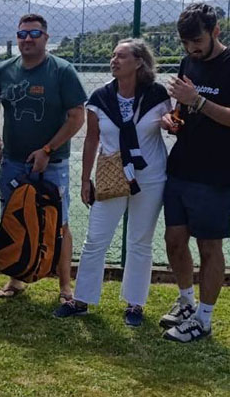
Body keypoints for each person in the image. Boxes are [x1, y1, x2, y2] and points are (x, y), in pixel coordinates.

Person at [159, 3, 230, 343]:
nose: (191, 50)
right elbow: (183, 110)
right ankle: (186, 302)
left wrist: (198, 100)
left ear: (216, 31)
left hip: (217, 172)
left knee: (209, 246)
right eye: (185, 43)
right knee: (174, 241)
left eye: (198, 41)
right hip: (182, 166)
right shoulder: (189, 62)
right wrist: (173, 122)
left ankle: (204, 319)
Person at [56, 39, 170, 326]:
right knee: (95, 239)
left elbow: (173, 123)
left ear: (139, 62)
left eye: (121, 56)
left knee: (140, 242)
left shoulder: (157, 95)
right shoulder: (100, 97)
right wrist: (85, 179)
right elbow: (92, 139)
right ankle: (81, 300)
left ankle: (135, 304)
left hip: (150, 177)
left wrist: (173, 123)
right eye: (113, 55)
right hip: (111, 176)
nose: (114, 60)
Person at [0, 13, 86, 303]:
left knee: (60, 222)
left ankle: (65, 287)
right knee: (14, 217)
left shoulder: (62, 71)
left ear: (46, 37)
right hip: (14, 162)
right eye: (22, 34)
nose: (27, 40)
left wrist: (47, 150)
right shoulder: (5, 71)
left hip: (52, 164)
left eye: (34, 34)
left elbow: (76, 117)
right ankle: (16, 279)